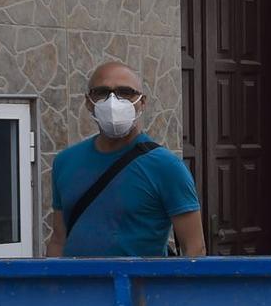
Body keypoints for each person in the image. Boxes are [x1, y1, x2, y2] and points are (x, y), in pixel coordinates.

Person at [46, 63, 206, 257]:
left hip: (139, 287)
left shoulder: (167, 167)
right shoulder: (65, 161)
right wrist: (53, 286)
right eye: (102, 92)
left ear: (142, 102)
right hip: (78, 287)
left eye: (125, 92)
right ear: (89, 102)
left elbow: (195, 248)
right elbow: (58, 239)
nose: (113, 101)